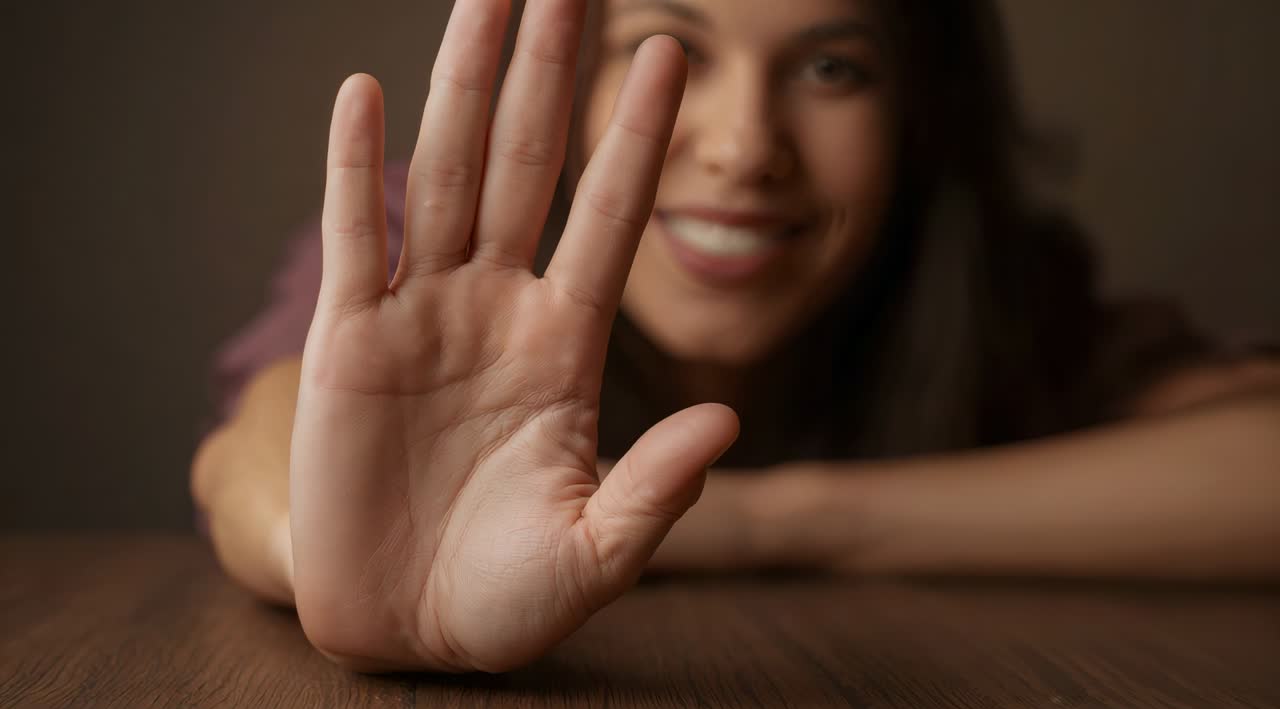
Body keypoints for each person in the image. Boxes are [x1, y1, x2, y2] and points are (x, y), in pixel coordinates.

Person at [190, 0, 1280, 673]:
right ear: (568, 97)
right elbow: (257, 451)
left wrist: (779, 520)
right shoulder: (437, 247)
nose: (744, 148)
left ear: (916, 117)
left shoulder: (990, 282)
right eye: (666, 51)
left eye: (829, 68)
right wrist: (337, 555)